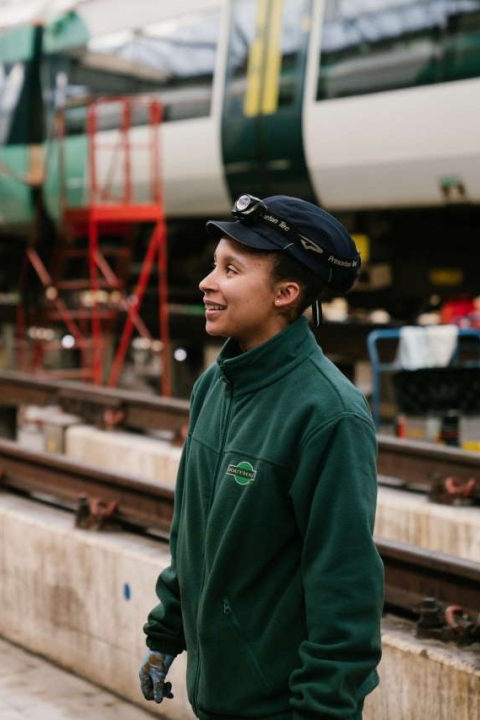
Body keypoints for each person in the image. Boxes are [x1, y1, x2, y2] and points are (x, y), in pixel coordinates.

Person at [138, 195, 384, 719]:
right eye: (213, 264)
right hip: (218, 698)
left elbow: (344, 585)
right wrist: (166, 633)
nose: (207, 281)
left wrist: (322, 710)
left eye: (231, 269)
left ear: (286, 294)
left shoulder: (328, 414)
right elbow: (193, 534)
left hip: (283, 709)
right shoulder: (213, 387)